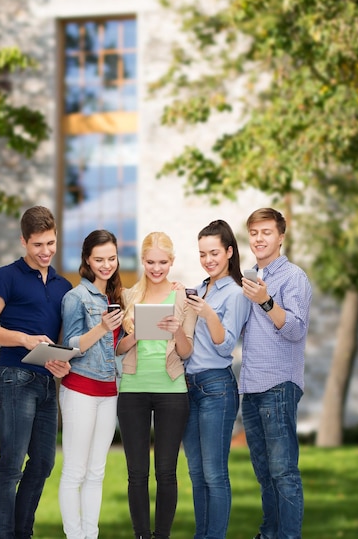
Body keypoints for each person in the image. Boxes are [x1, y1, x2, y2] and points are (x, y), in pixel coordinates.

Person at [0, 205, 73, 539]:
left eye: (51, 243)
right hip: (14, 377)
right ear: (23, 242)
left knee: (43, 463)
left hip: (46, 383)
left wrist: (60, 361)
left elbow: (59, 339)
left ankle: (21, 533)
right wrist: (23, 339)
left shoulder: (63, 286)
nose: (45, 252)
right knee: (11, 464)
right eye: (37, 245)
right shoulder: (6, 276)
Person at [116, 231, 196, 539]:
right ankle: (141, 535)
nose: (157, 268)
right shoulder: (128, 296)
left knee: (166, 471)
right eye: (150, 262)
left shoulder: (182, 298)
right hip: (133, 390)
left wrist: (176, 332)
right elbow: (119, 349)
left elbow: (186, 351)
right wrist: (134, 334)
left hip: (172, 391)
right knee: (137, 473)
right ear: (143, 261)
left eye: (163, 262)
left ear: (172, 261)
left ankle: (162, 535)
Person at [240, 208, 312, 539]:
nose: (259, 238)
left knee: (283, 472)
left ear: (281, 236)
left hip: (279, 385)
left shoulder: (292, 277)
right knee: (265, 473)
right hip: (251, 387)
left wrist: (267, 301)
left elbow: (296, 329)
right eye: (254, 232)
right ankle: (269, 534)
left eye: (266, 232)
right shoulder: (248, 278)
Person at [182, 220, 251, 539]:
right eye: (202, 254)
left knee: (214, 473)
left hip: (216, 388)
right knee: (196, 473)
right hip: (189, 386)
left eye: (214, 253)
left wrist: (208, 313)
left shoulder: (235, 294)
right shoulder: (201, 287)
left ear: (229, 252)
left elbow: (225, 345)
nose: (208, 260)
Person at [58, 229, 125, 539]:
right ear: (87, 260)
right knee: (75, 471)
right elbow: (70, 344)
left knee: (97, 472)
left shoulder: (117, 298)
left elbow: (117, 349)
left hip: (109, 392)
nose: (106, 265)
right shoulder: (76, 297)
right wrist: (101, 327)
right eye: (99, 259)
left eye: (111, 258)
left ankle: (90, 534)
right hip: (79, 390)